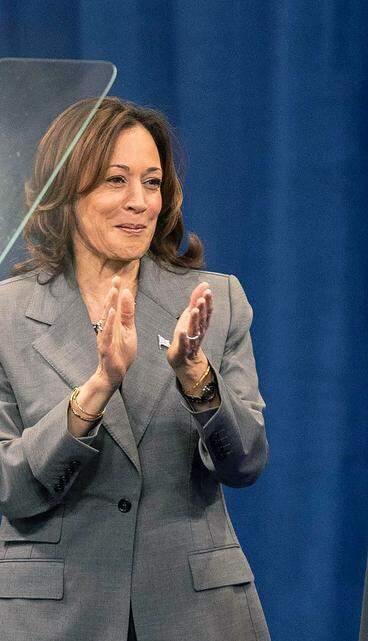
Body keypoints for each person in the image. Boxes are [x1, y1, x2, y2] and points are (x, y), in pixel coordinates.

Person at [0, 97, 269, 640]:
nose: (139, 202)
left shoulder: (215, 301)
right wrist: (94, 392)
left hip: (194, 615)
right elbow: (11, 488)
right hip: (56, 616)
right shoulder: (7, 316)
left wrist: (198, 380)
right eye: (115, 181)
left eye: (152, 182)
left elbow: (245, 464)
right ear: (66, 193)